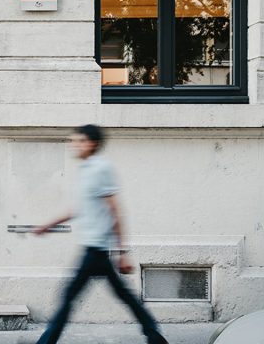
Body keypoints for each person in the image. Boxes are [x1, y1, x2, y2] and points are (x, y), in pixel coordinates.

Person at [32, 124, 169, 344]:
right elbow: (79, 209)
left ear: (93, 143)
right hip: (94, 249)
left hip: (96, 249)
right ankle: (153, 335)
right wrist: (48, 225)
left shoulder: (100, 168)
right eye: (74, 141)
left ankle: (45, 343)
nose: (75, 145)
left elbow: (114, 210)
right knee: (122, 295)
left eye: (80, 141)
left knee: (69, 297)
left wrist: (123, 252)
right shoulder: (86, 170)